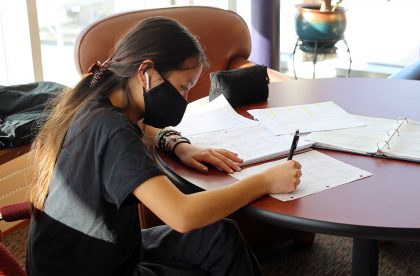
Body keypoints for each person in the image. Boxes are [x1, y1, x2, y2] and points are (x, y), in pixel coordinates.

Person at [26, 17, 302, 276]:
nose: (183, 98)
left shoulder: (95, 102)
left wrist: (176, 144)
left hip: (87, 252)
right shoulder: (113, 130)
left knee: (221, 235)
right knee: (219, 251)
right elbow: (181, 215)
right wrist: (264, 182)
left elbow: (141, 129)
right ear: (146, 72)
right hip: (94, 267)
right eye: (183, 87)